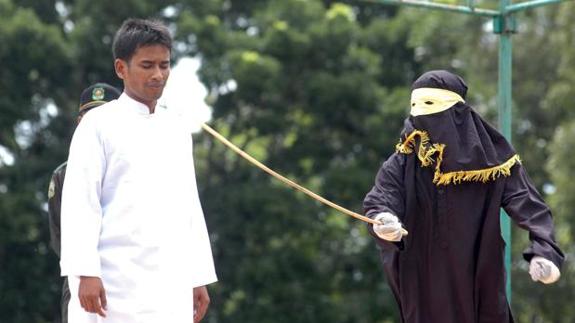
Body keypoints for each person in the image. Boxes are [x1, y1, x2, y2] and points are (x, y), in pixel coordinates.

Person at [363, 70, 564, 323]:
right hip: (423, 282)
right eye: (415, 107)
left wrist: (545, 252)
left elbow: (531, 207)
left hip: (479, 278)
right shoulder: (402, 162)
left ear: (457, 114)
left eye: (431, 106)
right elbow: (381, 198)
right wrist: (383, 220)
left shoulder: (494, 161)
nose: (421, 117)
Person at [60, 18, 217, 323]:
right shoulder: (98, 124)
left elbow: (189, 206)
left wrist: (198, 276)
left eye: (164, 65)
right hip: (112, 282)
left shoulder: (176, 127)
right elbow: (81, 203)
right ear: (121, 68)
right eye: (147, 65)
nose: (158, 75)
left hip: (169, 282)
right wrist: (86, 272)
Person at [48, 83, 121, 323]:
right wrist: (88, 268)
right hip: (82, 279)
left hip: (131, 274)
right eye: (87, 116)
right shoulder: (64, 174)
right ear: (79, 122)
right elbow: (60, 235)